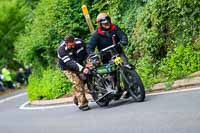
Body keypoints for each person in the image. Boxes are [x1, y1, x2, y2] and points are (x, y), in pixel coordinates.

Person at [86, 12, 130, 98]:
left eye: (108, 22)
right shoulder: (96, 34)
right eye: (104, 23)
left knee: (125, 66)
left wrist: (124, 40)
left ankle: (128, 88)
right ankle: (116, 89)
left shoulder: (115, 28)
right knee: (112, 74)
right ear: (100, 24)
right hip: (106, 56)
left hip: (118, 53)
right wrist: (92, 54)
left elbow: (122, 35)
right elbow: (89, 47)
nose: (107, 24)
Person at [57, 35, 91, 111]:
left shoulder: (80, 42)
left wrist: (88, 61)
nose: (72, 46)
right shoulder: (61, 50)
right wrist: (82, 69)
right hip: (67, 68)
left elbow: (86, 52)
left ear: (75, 41)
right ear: (66, 43)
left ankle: (77, 96)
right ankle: (83, 104)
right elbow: (70, 62)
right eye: (70, 45)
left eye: (73, 44)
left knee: (86, 78)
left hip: (79, 63)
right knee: (78, 82)